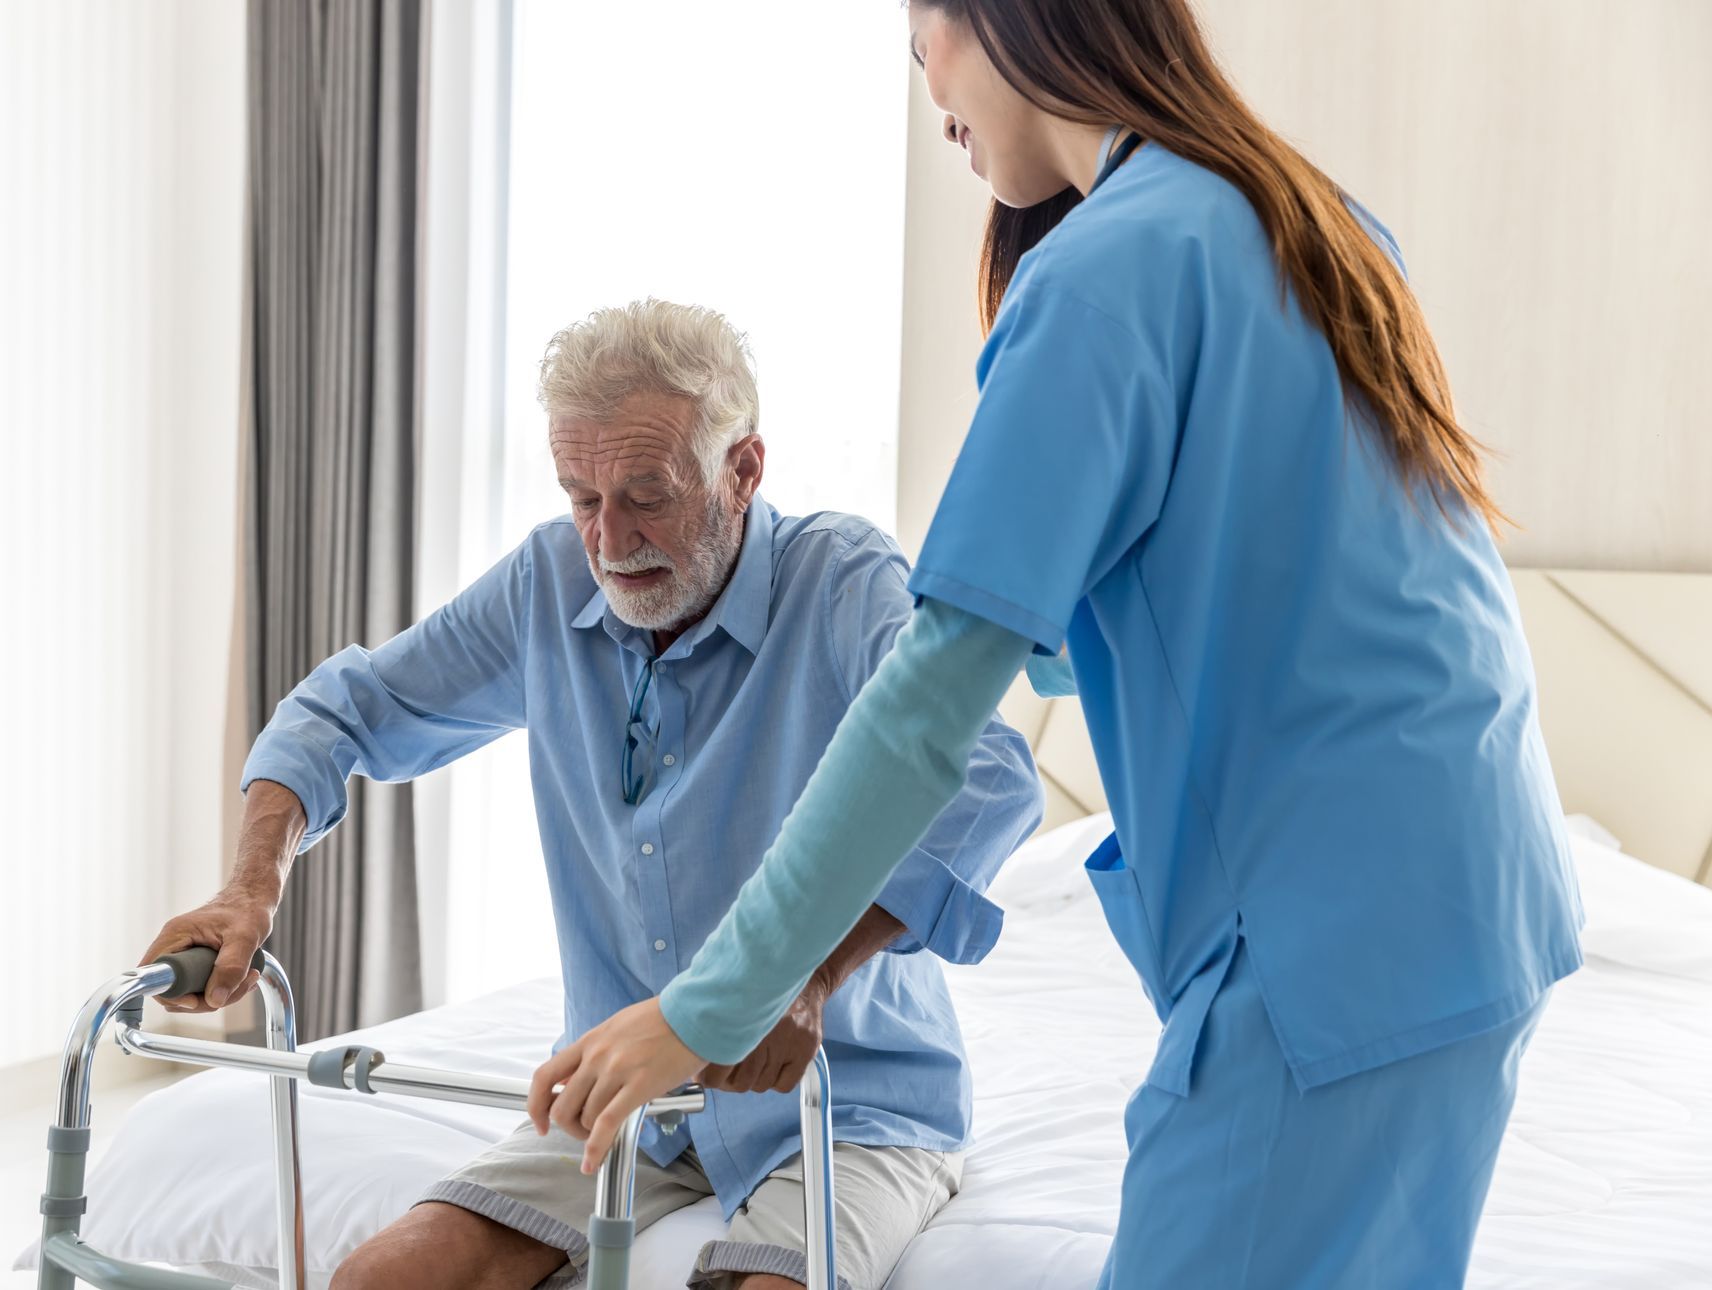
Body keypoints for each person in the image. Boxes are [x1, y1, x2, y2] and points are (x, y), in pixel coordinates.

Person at [529, 6, 1584, 1288]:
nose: (930, 90)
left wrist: (705, 1009)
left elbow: (925, 717)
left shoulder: (1106, 273)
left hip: (1329, 957)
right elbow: (1265, 584)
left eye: (924, 39)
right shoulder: (1304, 216)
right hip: (1472, 912)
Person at [140, 298, 1042, 1290]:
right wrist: (249, 885)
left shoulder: (838, 580)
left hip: (846, 1098)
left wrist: (808, 976)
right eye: (582, 497)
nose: (610, 540)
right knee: (380, 1279)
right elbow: (342, 707)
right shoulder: (546, 584)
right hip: (627, 1093)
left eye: (647, 494)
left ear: (743, 469)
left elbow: (989, 776)